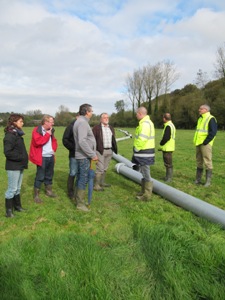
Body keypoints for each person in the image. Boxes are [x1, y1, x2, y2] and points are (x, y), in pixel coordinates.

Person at [73, 103, 98, 211]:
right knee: (83, 178)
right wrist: (92, 154)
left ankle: (76, 198)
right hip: (83, 156)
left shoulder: (80, 121)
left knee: (80, 177)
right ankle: (80, 204)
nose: (92, 113)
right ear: (87, 112)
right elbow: (82, 141)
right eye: (91, 111)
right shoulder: (82, 123)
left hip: (82, 155)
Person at [3, 114, 28, 217]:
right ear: (14, 122)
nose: (23, 123)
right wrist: (21, 157)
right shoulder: (9, 136)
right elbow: (7, 152)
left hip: (19, 165)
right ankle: (9, 212)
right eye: (21, 121)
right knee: (12, 189)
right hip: (13, 166)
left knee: (17, 188)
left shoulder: (17, 134)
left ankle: (17, 207)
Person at [29, 114, 58, 203]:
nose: (53, 124)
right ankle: (36, 195)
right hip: (42, 157)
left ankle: (48, 191)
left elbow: (53, 141)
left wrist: (53, 149)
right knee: (40, 176)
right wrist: (47, 135)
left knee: (49, 175)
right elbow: (38, 142)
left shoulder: (50, 130)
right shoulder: (36, 130)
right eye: (51, 122)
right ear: (45, 122)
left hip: (50, 156)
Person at [132, 106, 155, 201]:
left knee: (146, 173)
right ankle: (143, 191)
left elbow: (142, 138)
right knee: (144, 172)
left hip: (144, 152)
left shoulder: (144, 124)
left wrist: (136, 148)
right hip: (145, 152)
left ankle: (146, 196)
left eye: (137, 113)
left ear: (140, 114)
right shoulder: (146, 122)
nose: (136, 115)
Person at [92, 113, 118, 191]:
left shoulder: (111, 128)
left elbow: (113, 139)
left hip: (109, 150)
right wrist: (93, 152)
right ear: (101, 119)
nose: (106, 119)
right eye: (104, 118)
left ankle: (102, 182)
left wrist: (113, 148)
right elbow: (92, 140)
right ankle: (96, 185)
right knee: (100, 168)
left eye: (107, 117)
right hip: (100, 150)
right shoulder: (96, 128)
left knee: (105, 168)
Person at [193, 104, 217, 187]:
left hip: (205, 144)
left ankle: (208, 182)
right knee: (199, 161)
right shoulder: (200, 118)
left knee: (207, 161)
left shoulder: (211, 118)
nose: (199, 110)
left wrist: (206, 142)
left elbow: (213, 132)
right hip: (198, 143)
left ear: (206, 110)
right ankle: (198, 179)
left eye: (201, 109)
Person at [62, 116, 78, 200]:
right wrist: (74, 148)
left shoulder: (84, 126)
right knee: (73, 172)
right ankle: (70, 192)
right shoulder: (71, 127)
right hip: (74, 155)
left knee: (80, 173)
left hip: (83, 155)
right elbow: (65, 140)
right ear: (77, 116)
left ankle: (78, 191)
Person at [158, 113, 176, 182]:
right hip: (170, 146)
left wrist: (161, 143)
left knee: (168, 163)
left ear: (164, 118)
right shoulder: (171, 125)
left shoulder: (168, 126)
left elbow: (166, 137)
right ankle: (167, 176)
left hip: (167, 147)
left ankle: (169, 178)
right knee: (168, 163)